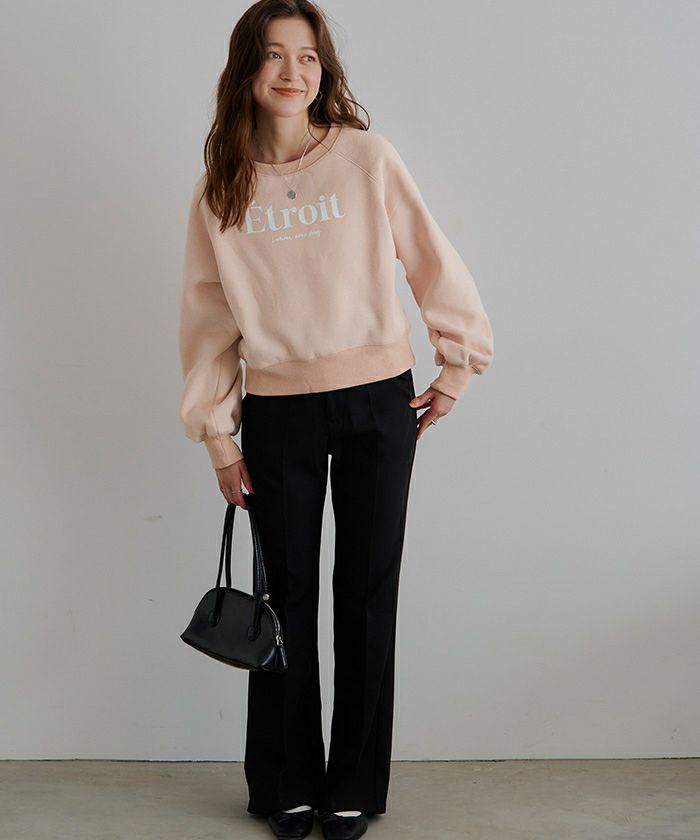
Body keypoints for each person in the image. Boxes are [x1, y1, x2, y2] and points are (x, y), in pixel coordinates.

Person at [178, 2, 494, 838]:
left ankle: (354, 783)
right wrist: (218, 435)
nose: (294, 72)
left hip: (378, 402)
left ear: (325, 70)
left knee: (365, 594)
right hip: (277, 411)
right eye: (275, 55)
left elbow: (431, 260)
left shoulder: (365, 159)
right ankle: (285, 782)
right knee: (285, 600)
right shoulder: (221, 190)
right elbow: (208, 322)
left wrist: (456, 364)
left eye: (309, 57)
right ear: (247, 69)